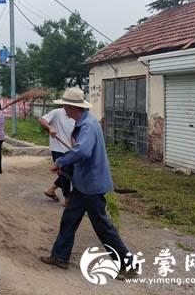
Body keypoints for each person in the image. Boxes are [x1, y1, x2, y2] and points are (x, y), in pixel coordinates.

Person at [40, 88, 138, 280]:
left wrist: (61, 162)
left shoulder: (88, 126)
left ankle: (129, 264)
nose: (64, 111)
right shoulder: (84, 123)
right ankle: (60, 256)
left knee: (102, 226)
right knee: (69, 219)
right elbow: (81, 150)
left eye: (64, 107)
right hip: (83, 183)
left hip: (91, 185)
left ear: (70, 107)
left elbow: (83, 151)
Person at [39, 107, 75, 203]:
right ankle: (67, 199)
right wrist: (50, 128)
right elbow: (42, 120)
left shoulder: (75, 115)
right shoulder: (57, 112)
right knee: (65, 173)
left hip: (70, 149)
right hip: (58, 148)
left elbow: (72, 134)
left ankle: (51, 190)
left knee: (69, 173)